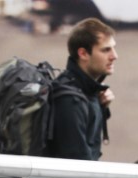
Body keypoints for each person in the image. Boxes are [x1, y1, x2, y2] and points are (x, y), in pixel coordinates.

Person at [47, 17, 117, 160]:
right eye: (106, 50)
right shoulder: (70, 99)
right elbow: (78, 166)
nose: (114, 56)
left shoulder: (87, 92)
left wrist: (101, 106)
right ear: (83, 54)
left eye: (114, 48)